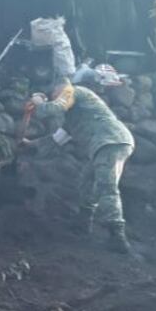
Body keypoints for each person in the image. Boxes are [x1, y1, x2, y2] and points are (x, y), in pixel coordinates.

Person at [24, 77, 135, 255]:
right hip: (106, 144)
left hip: (110, 140)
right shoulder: (72, 118)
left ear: (58, 88)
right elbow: (56, 140)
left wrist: (39, 102)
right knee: (87, 180)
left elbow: (53, 108)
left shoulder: (73, 90)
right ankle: (83, 223)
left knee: (106, 186)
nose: (53, 97)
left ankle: (117, 235)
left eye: (53, 94)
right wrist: (29, 144)